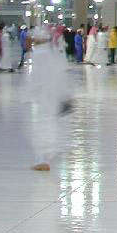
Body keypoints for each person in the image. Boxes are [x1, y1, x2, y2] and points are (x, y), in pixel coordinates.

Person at [28, 25, 71, 171]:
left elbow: (36, 77)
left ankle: (42, 159)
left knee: (43, 126)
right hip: (54, 95)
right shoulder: (51, 53)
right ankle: (46, 156)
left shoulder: (39, 54)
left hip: (45, 96)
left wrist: (29, 92)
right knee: (51, 125)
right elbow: (61, 73)